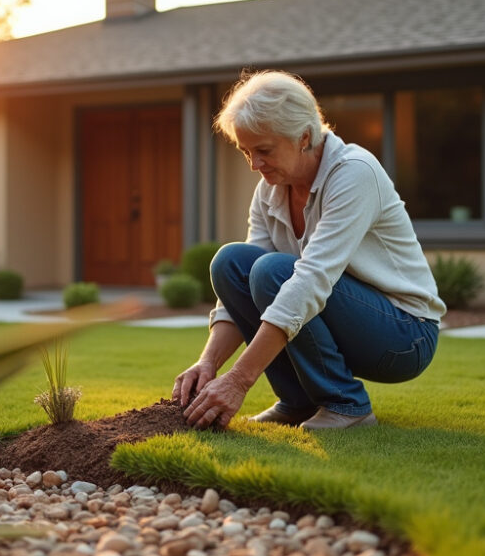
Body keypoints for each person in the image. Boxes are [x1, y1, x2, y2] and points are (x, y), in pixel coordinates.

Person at [172, 71, 446, 430]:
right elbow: (240, 287)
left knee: (274, 272)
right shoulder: (269, 190)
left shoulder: (354, 173)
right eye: (246, 152)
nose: (255, 164)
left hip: (405, 334)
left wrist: (239, 380)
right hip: (344, 317)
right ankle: (297, 401)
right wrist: (208, 363)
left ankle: (347, 406)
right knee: (231, 262)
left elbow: (310, 279)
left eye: (264, 150)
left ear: (303, 137)